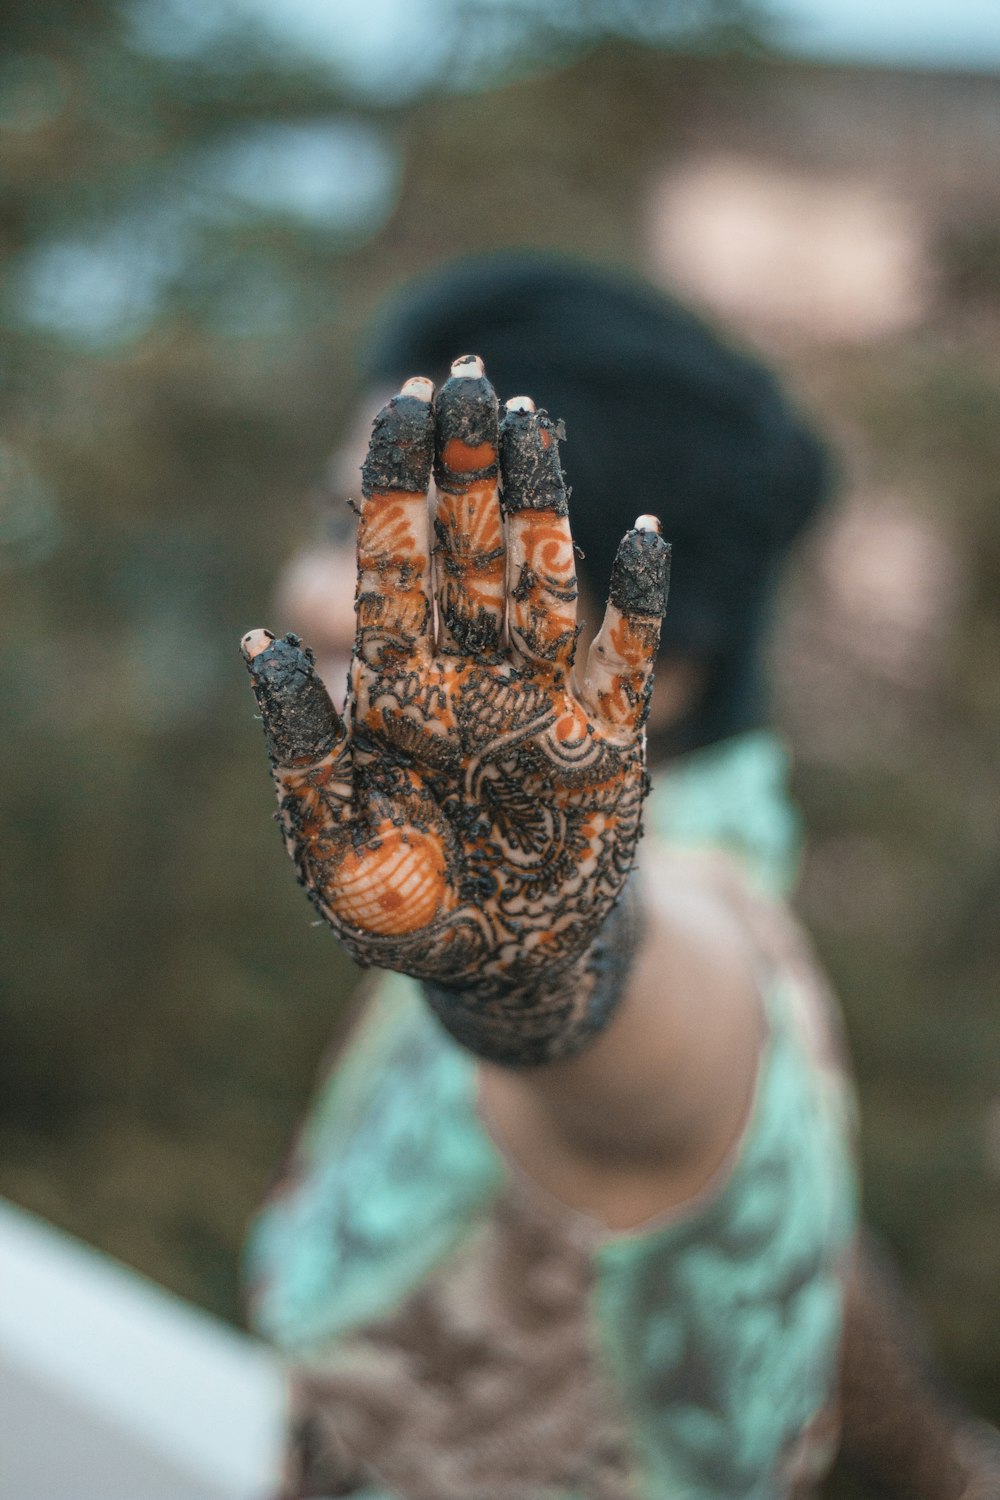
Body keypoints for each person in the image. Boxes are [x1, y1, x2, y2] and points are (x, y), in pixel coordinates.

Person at [240, 255, 999, 1499]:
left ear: (661, 662)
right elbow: (774, 1225)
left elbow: (613, 1005)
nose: (325, 595)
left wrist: (520, 943)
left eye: (422, 573)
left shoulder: (693, 953)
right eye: (344, 525)